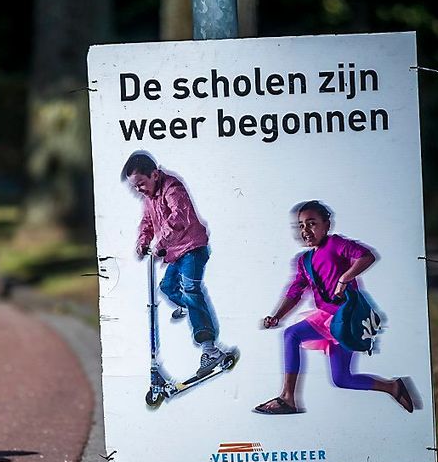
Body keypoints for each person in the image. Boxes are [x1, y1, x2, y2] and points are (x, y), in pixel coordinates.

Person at [254, 200, 415, 414]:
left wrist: (344, 278)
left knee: (326, 365)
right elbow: (295, 293)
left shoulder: (335, 244)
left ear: (326, 225)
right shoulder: (304, 261)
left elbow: (366, 256)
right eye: (301, 226)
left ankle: (288, 398)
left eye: (311, 223)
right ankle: (392, 387)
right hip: (325, 319)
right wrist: (277, 316)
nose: (305, 230)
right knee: (327, 366)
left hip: (347, 319)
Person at [121, 151, 231, 376]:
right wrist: (143, 242)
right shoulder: (148, 198)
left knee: (191, 290)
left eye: (141, 184)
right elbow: (147, 222)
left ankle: (210, 349)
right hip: (175, 253)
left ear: (154, 174)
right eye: (135, 188)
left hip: (193, 248)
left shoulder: (173, 188)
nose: (139, 190)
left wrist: (160, 243)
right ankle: (191, 308)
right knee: (167, 288)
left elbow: (179, 218)